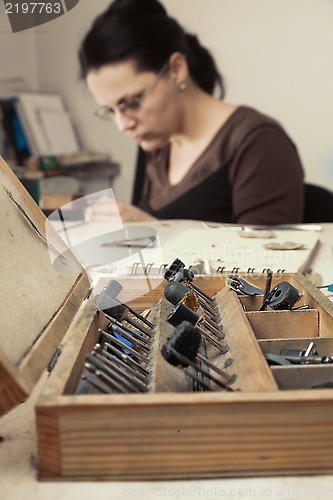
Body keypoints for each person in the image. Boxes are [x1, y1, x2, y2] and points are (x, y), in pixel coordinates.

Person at [79, 0, 304, 225]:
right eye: (110, 111)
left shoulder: (259, 144)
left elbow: (264, 258)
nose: (123, 124)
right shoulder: (159, 145)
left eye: (132, 103)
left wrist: (157, 231)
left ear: (176, 69)